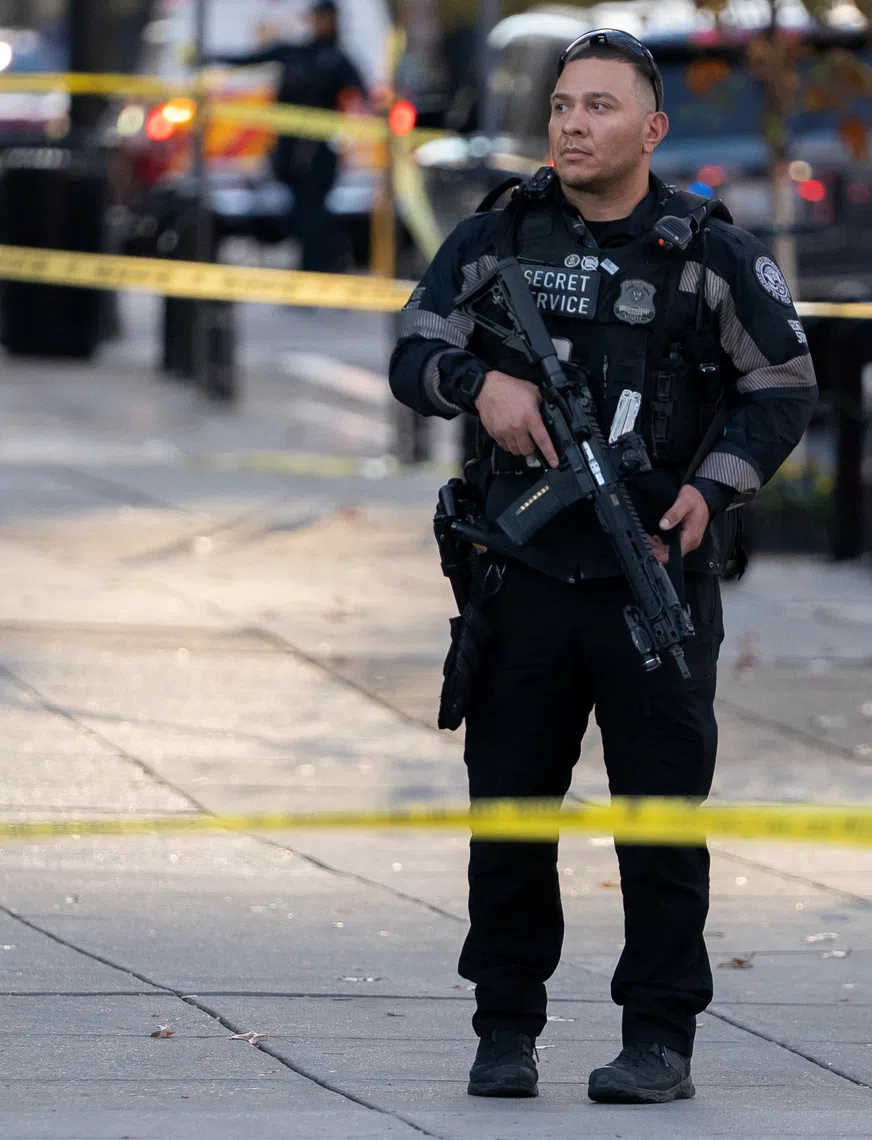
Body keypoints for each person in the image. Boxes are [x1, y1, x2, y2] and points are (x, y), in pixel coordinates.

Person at [389, 29, 816, 1105]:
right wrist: (476, 384)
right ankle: (505, 1028)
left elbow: (782, 385)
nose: (574, 125)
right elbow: (412, 349)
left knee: (660, 822)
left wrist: (711, 487)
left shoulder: (708, 253)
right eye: (563, 106)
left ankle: (658, 1040)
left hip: (654, 580)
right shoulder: (496, 235)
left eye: (600, 107)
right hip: (521, 578)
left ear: (652, 129)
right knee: (511, 817)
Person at [209, 0, 365, 272]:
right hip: (289, 155)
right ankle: (317, 267)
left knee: (314, 217)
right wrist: (210, 57)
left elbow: (362, 95)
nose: (321, 24)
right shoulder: (296, 53)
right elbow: (251, 59)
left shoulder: (338, 60)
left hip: (319, 155)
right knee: (301, 216)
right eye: (318, 18)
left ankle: (321, 268)